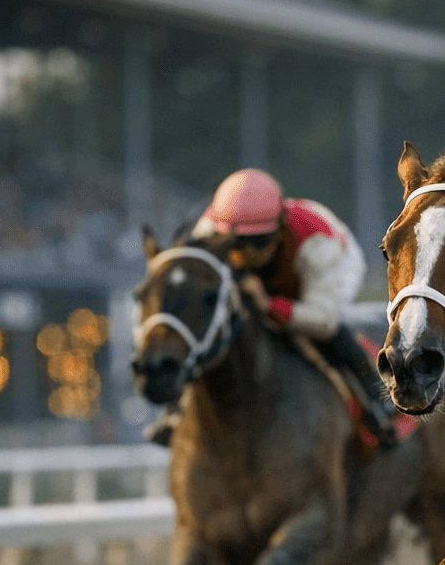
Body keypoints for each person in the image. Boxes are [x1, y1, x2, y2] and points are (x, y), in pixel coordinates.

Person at [145, 169, 397, 447]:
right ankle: (175, 411)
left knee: (324, 334)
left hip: (320, 276)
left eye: (260, 240)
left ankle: (375, 399)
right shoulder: (208, 232)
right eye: (239, 243)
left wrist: (268, 305)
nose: (250, 252)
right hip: (263, 280)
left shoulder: (318, 243)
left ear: (280, 226)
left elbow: (324, 320)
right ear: (221, 234)